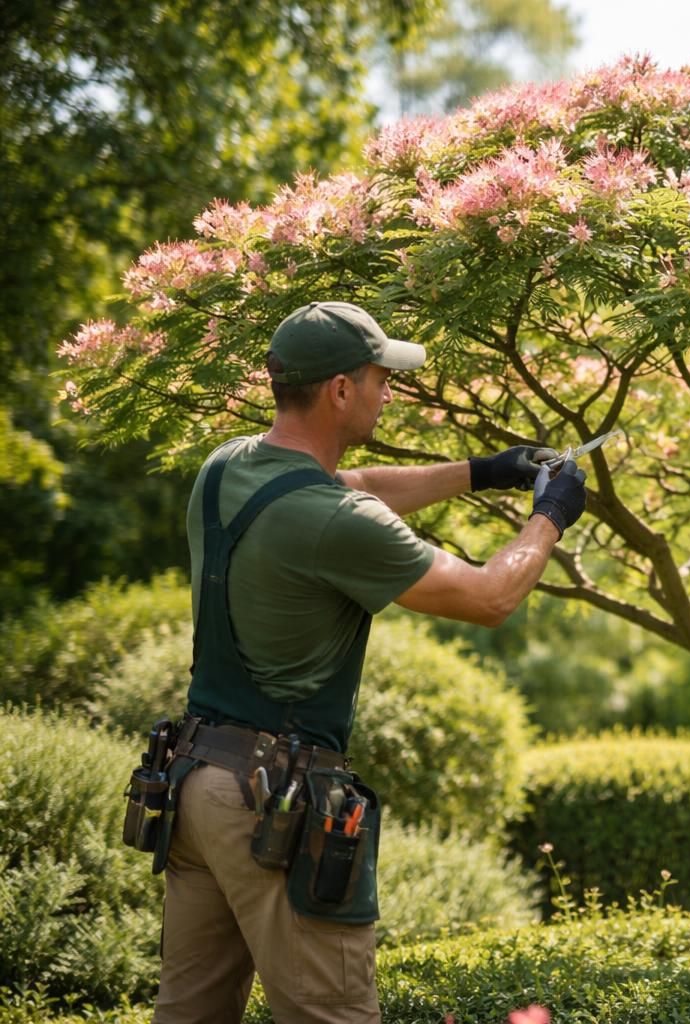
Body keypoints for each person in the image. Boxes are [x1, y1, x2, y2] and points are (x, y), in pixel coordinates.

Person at [151, 301, 587, 1024]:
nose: (391, 392)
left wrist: (485, 471)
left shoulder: (226, 467)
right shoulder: (335, 523)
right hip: (274, 805)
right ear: (341, 391)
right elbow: (488, 596)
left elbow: (356, 486)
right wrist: (552, 514)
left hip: (195, 788)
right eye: (382, 378)